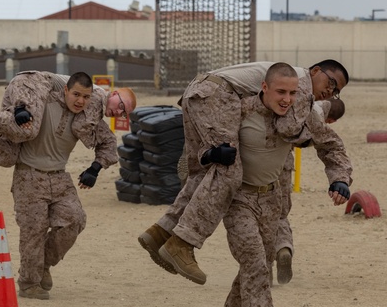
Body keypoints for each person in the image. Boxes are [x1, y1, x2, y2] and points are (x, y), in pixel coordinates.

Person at [138, 59, 348, 285]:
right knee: (229, 171)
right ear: (315, 71)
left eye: (336, 91)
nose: (330, 91)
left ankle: (161, 232)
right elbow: (287, 128)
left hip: (198, 93)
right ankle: (183, 243)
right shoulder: (300, 84)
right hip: (218, 98)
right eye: (331, 82)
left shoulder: (296, 88)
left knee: (205, 173)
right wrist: (310, 140)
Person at [215, 63, 351, 307]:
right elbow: (204, 140)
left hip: (271, 200)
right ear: (264, 87)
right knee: (255, 265)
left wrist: (339, 179)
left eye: (292, 93)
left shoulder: (303, 116)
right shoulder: (239, 109)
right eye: (281, 91)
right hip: (238, 200)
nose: (288, 98)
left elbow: (331, 146)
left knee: (256, 267)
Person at [0, 71, 125, 299]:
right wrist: (19, 110)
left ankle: (43, 265)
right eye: (76, 94)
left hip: (59, 177)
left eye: (86, 97)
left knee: (74, 220)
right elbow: (20, 100)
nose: (80, 101)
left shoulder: (85, 118)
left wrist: (95, 168)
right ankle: (29, 283)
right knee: (33, 231)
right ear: (65, 90)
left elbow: (108, 143)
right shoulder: (42, 101)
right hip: (29, 176)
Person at [271, 97, 345, 284]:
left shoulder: (301, 102)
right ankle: (284, 248)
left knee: (259, 213)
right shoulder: (317, 116)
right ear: (332, 120)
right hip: (285, 164)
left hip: (261, 161)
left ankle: (263, 270)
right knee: (280, 213)